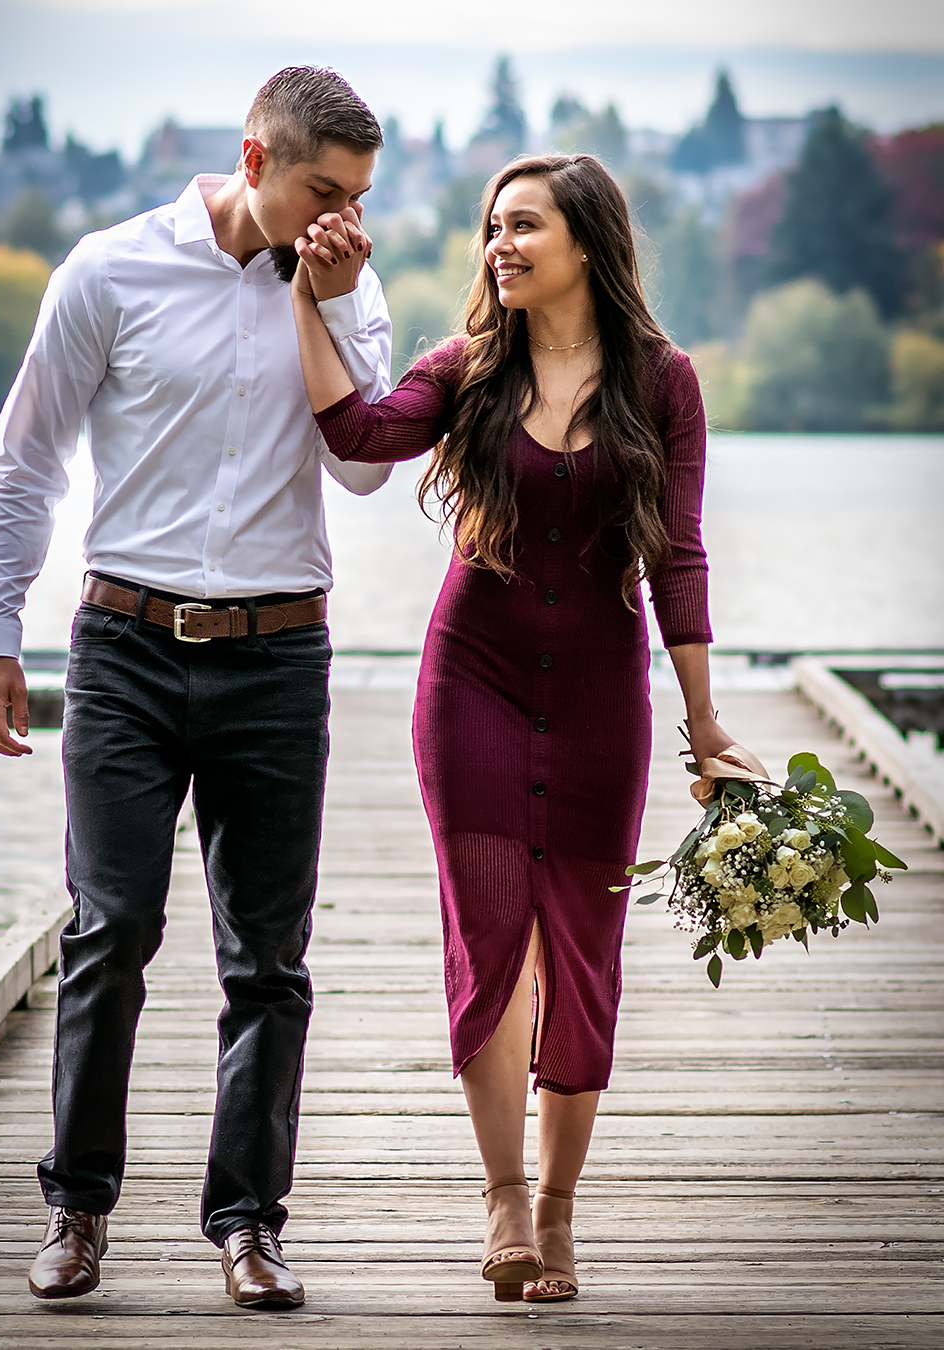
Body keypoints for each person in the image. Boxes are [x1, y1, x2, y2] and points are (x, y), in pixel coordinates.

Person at [290, 153, 762, 1302]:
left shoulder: (665, 383)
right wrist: (306, 299)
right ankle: (503, 1199)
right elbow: (356, 433)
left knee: (583, 955)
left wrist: (705, 724)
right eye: (491, 228)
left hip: (604, 694)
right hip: (473, 684)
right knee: (494, 939)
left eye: (524, 228)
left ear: (589, 246)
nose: (499, 246)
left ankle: (558, 1213)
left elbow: (679, 558)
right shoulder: (467, 370)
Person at [0, 67, 391, 1310]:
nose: (343, 219)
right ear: (254, 160)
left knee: (269, 960)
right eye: (325, 191)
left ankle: (250, 1227)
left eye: (361, 199)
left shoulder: (348, 281)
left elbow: (364, 472)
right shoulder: (106, 271)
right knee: (110, 934)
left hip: (277, 654)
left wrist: (338, 298)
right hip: (125, 648)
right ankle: (77, 1213)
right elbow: (25, 461)